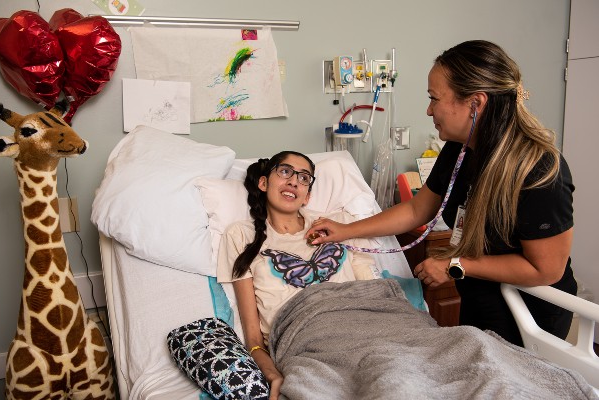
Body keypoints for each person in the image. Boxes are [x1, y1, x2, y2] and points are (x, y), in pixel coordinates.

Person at [306, 40, 577, 347]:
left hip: (532, 317)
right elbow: (415, 210)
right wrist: (344, 230)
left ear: (476, 103)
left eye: (434, 99)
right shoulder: (459, 150)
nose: (428, 109)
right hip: (481, 302)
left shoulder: (538, 169)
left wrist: (457, 265)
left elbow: (546, 268)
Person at [217, 151, 377, 399]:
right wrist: (271, 372)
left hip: (363, 326)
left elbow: (373, 292)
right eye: (285, 171)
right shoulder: (241, 236)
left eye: (304, 178)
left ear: (308, 196)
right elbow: (253, 334)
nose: (294, 181)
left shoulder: (338, 224)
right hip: (305, 339)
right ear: (263, 183)